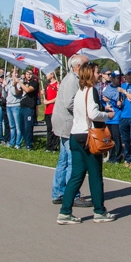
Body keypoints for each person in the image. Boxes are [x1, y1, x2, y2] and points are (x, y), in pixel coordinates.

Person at [57, 62, 116, 224]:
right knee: (95, 175)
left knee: (76, 176)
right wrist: (107, 115)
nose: (99, 75)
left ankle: (65, 211)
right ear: (90, 74)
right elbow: (93, 113)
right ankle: (99, 211)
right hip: (88, 136)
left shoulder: (79, 91)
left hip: (75, 135)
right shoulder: (92, 91)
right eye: (97, 72)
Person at [51, 54, 92, 208]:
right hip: (67, 123)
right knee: (72, 160)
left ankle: (59, 192)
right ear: (78, 67)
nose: (89, 67)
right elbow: (70, 103)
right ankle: (72, 194)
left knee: (64, 159)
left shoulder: (73, 79)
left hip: (64, 122)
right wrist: (86, 109)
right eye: (87, 64)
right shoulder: (72, 80)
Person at [101, 71, 123, 163]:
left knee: (116, 137)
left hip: (116, 117)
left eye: (120, 78)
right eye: (117, 78)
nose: (119, 80)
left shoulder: (120, 89)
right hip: (108, 118)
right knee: (109, 138)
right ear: (113, 79)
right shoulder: (107, 88)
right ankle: (111, 156)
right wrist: (105, 107)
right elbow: (102, 100)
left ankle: (118, 157)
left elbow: (119, 104)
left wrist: (110, 100)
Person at [18, 69, 40, 150]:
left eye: (30, 74)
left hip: (29, 108)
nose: (28, 76)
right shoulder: (24, 83)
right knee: (22, 127)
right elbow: (18, 93)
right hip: (22, 107)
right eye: (27, 74)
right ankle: (26, 142)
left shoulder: (34, 83)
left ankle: (29, 145)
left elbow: (27, 90)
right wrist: (15, 85)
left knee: (28, 127)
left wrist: (19, 82)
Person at [5, 68, 23, 149]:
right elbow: (5, 93)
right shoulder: (9, 81)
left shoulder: (20, 81)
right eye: (14, 73)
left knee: (18, 126)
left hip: (16, 105)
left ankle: (18, 143)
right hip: (8, 105)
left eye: (16, 73)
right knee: (11, 126)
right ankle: (11, 142)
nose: (15, 74)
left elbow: (15, 93)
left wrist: (13, 85)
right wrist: (5, 86)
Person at [43, 71, 60, 152]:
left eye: (48, 73)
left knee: (54, 129)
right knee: (49, 128)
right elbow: (47, 96)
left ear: (52, 74)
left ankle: (54, 146)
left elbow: (58, 97)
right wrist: (44, 94)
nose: (46, 75)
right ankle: (49, 145)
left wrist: (48, 102)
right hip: (47, 110)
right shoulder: (47, 85)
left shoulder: (57, 84)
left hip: (54, 110)